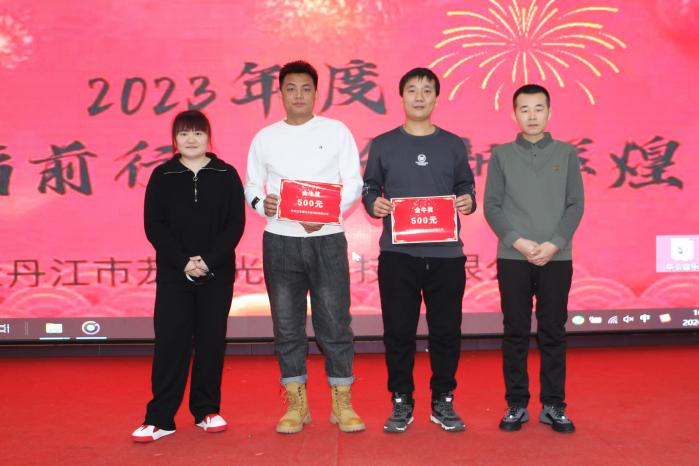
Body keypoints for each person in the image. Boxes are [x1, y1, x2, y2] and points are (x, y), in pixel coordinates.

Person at [244, 60, 365, 434]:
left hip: (326, 239)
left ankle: (342, 403)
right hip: (280, 241)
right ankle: (297, 405)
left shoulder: (336, 131)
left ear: (316, 92)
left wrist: (328, 215)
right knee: (287, 326)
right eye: (291, 88)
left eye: (306, 88)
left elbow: (354, 182)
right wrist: (261, 204)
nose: (298, 95)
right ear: (280, 93)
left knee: (335, 322)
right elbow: (252, 185)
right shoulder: (265, 137)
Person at [362, 67, 476, 433]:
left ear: (436, 98)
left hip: (447, 255)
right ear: (401, 97)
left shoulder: (453, 144)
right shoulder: (383, 144)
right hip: (399, 255)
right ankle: (401, 399)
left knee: (446, 331)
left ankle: (443, 399)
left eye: (427, 90)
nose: (420, 96)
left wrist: (467, 200)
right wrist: (374, 203)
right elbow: (370, 187)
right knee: (398, 332)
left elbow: (466, 185)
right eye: (412, 89)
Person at [132, 110, 246, 442]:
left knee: (211, 342)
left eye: (197, 133)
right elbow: (154, 225)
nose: (191, 139)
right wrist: (183, 261)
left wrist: (208, 261)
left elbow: (234, 224)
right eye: (183, 134)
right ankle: (160, 418)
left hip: (217, 273)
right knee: (170, 343)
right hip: (174, 274)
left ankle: (207, 411)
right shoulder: (162, 175)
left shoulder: (226, 174)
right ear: (174, 140)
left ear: (209, 137)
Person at [484, 84, 584, 433]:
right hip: (513, 256)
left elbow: (575, 205)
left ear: (549, 112)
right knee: (515, 331)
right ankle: (516, 404)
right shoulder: (501, 155)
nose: (531, 116)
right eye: (524, 109)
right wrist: (519, 242)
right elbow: (492, 206)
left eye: (538, 108)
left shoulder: (567, 153)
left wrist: (555, 244)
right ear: (514, 114)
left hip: (557, 257)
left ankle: (554, 404)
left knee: (553, 330)